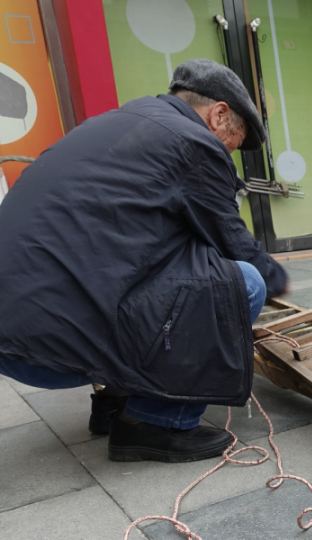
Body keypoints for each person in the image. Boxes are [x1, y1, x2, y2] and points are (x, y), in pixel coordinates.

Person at [0, 59, 288, 463]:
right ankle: (154, 425)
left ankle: (114, 405)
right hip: (46, 348)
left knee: (169, 265)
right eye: (234, 141)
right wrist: (279, 282)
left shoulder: (117, 123)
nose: (230, 152)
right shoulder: (192, 141)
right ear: (219, 114)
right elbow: (232, 242)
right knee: (245, 282)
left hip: (19, 332)